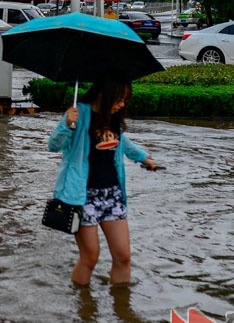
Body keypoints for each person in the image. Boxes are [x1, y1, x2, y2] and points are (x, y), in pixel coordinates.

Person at [47, 73, 161, 286]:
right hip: (82, 197)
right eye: (119, 99)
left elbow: (123, 143)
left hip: (112, 195)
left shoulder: (113, 119)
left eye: (125, 100)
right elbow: (53, 145)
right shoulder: (79, 114)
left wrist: (145, 159)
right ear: (103, 94)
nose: (122, 104)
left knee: (123, 256)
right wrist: (65, 123)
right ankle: (84, 310)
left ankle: (122, 311)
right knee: (90, 258)